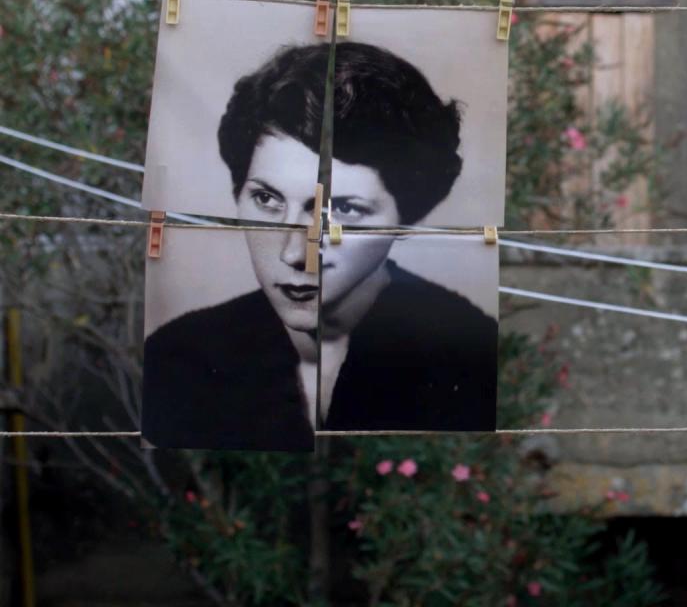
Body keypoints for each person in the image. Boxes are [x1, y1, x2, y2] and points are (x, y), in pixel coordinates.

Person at [142, 43, 497, 451]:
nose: (295, 253)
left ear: (406, 219)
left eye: (343, 209)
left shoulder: (471, 357)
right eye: (267, 199)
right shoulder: (179, 357)